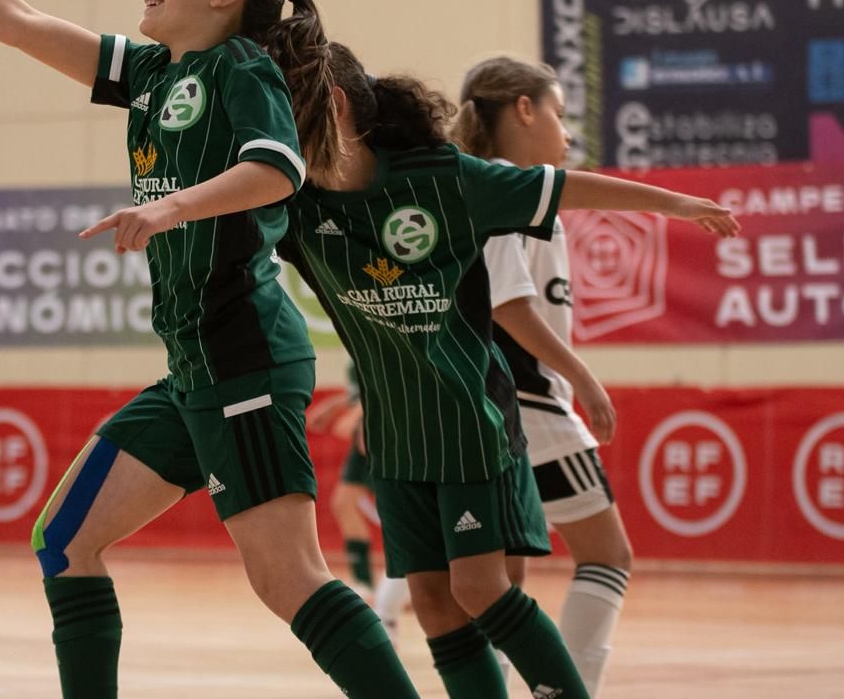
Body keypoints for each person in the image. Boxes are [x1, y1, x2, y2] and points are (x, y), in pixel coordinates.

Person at [0, 0, 420, 698]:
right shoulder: (149, 73)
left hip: (243, 356)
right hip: (191, 366)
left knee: (288, 579)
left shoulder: (241, 69)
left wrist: (169, 206)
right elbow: (15, 19)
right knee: (65, 539)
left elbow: (276, 168)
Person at [273, 42, 738, 699]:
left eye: (279, 113)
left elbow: (566, 190)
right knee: (436, 602)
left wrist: (678, 204)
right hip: (400, 433)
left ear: (336, 108)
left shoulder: (447, 179)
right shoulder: (295, 207)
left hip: (473, 419)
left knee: (485, 587)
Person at [456, 57, 637, 694]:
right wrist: (583, 378)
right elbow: (508, 303)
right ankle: (569, 689)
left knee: (500, 584)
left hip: (487, 407)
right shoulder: (506, 186)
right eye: (559, 114)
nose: (566, 133)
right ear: (524, 111)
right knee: (607, 555)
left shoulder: (478, 183)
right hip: (531, 406)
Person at [305, 367, 379, 597]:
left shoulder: (375, 336)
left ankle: (407, 581)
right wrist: (335, 406)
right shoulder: (353, 352)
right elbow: (361, 392)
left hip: (384, 430)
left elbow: (383, 384)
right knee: (344, 503)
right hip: (364, 433)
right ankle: (364, 581)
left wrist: (356, 416)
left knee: (401, 509)